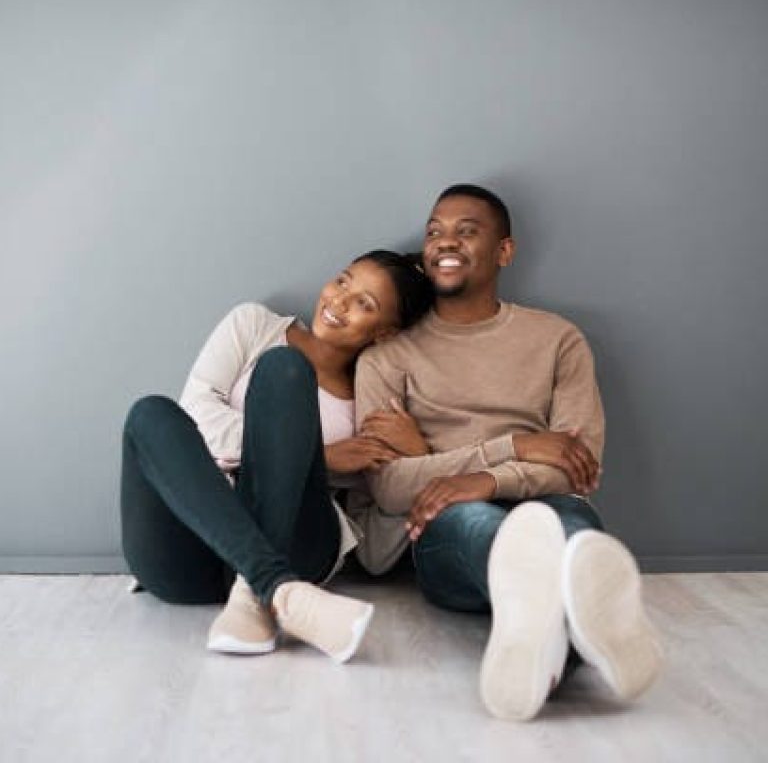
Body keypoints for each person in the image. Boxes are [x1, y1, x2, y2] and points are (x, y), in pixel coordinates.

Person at [351, 184, 663, 718]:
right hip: (448, 523)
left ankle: (543, 637)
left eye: (466, 231)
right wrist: (516, 449)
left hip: (540, 502)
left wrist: (487, 479)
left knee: (572, 528)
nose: (445, 242)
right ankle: (583, 630)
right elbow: (388, 485)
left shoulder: (558, 340)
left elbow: (577, 467)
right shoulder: (387, 357)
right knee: (475, 522)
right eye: (435, 232)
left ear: (505, 251)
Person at [120, 250, 433, 664]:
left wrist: (420, 460)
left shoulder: (370, 400)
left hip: (294, 545)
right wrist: (317, 455)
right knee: (149, 414)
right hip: (186, 561)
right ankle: (281, 593)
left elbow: (375, 547)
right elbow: (194, 413)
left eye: (364, 304)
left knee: (286, 370)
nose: (339, 302)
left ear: (385, 333)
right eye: (343, 281)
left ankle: (260, 586)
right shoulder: (253, 325)